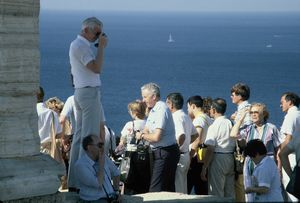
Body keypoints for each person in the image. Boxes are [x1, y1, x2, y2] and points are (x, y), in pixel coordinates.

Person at [69, 17, 108, 190]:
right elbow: (96, 68)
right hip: (89, 93)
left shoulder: (79, 46)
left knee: (80, 139)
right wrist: (102, 48)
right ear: (86, 30)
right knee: (90, 138)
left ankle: (75, 182)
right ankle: (86, 183)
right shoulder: (80, 46)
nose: (98, 36)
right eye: (96, 32)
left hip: (81, 92)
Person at [230, 102, 283, 202]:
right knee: (250, 195)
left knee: (267, 190)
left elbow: (278, 149)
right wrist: (240, 119)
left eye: (256, 112)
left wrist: (279, 168)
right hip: (250, 163)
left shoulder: (272, 128)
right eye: (251, 112)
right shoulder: (248, 129)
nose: (253, 114)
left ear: (264, 114)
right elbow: (233, 134)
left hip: (266, 163)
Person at [135, 82, 180, 192]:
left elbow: (156, 137)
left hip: (165, 152)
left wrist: (141, 135)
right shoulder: (154, 110)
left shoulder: (161, 109)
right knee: (166, 189)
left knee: (156, 190)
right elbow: (146, 128)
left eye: (145, 97)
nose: (143, 100)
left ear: (154, 96)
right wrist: (143, 133)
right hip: (162, 152)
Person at [201, 98, 235, 198]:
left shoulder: (214, 126)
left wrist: (204, 167)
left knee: (216, 192)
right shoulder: (230, 123)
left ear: (214, 110)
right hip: (230, 157)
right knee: (229, 192)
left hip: (218, 158)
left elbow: (210, 148)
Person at [166, 93, 198, 194]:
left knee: (177, 186)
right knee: (183, 184)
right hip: (186, 155)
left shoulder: (176, 117)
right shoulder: (185, 116)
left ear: (171, 104)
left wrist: (176, 149)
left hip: (179, 155)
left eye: (167, 103)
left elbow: (181, 135)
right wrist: (187, 142)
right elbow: (195, 134)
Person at [75, 134, 121, 203]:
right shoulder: (81, 165)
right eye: (99, 145)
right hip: (93, 200)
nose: (103, 148)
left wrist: (116, 192)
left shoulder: (103, 157)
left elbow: (116, 173)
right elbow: (98, 183)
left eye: (103, 144)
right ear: (89, 147)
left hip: (111, 197)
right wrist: (101, 165)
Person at [186, 95, 213, 195]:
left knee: (188, 187)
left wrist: (189, 157)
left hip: (196, 157)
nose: (187, 110)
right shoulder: (208, 119)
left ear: (193, 106)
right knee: (201, 189)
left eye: (188, 107)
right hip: (204, 156)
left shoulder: (198, 120)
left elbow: (197, 140)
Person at [230, 82, 252, 202]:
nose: (231, 96)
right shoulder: (243, 109)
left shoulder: (245, 110)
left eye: (233, 94)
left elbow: (247, 130)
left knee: (241, 182)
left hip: (243, 150)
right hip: (245, 149)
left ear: (240, 96)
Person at [279, 92, 300, 201]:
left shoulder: (290, 115)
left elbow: (288, 138)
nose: (280, 105)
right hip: (297, 155)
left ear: (290, 102)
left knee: (291, 189)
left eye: (282, 102)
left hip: (290, 157)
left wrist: (280, 155)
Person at [36, 87, 63, 157]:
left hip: (33, 149)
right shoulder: (52, 113)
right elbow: (59, 134)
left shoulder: (30, 113)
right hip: (49, 151)